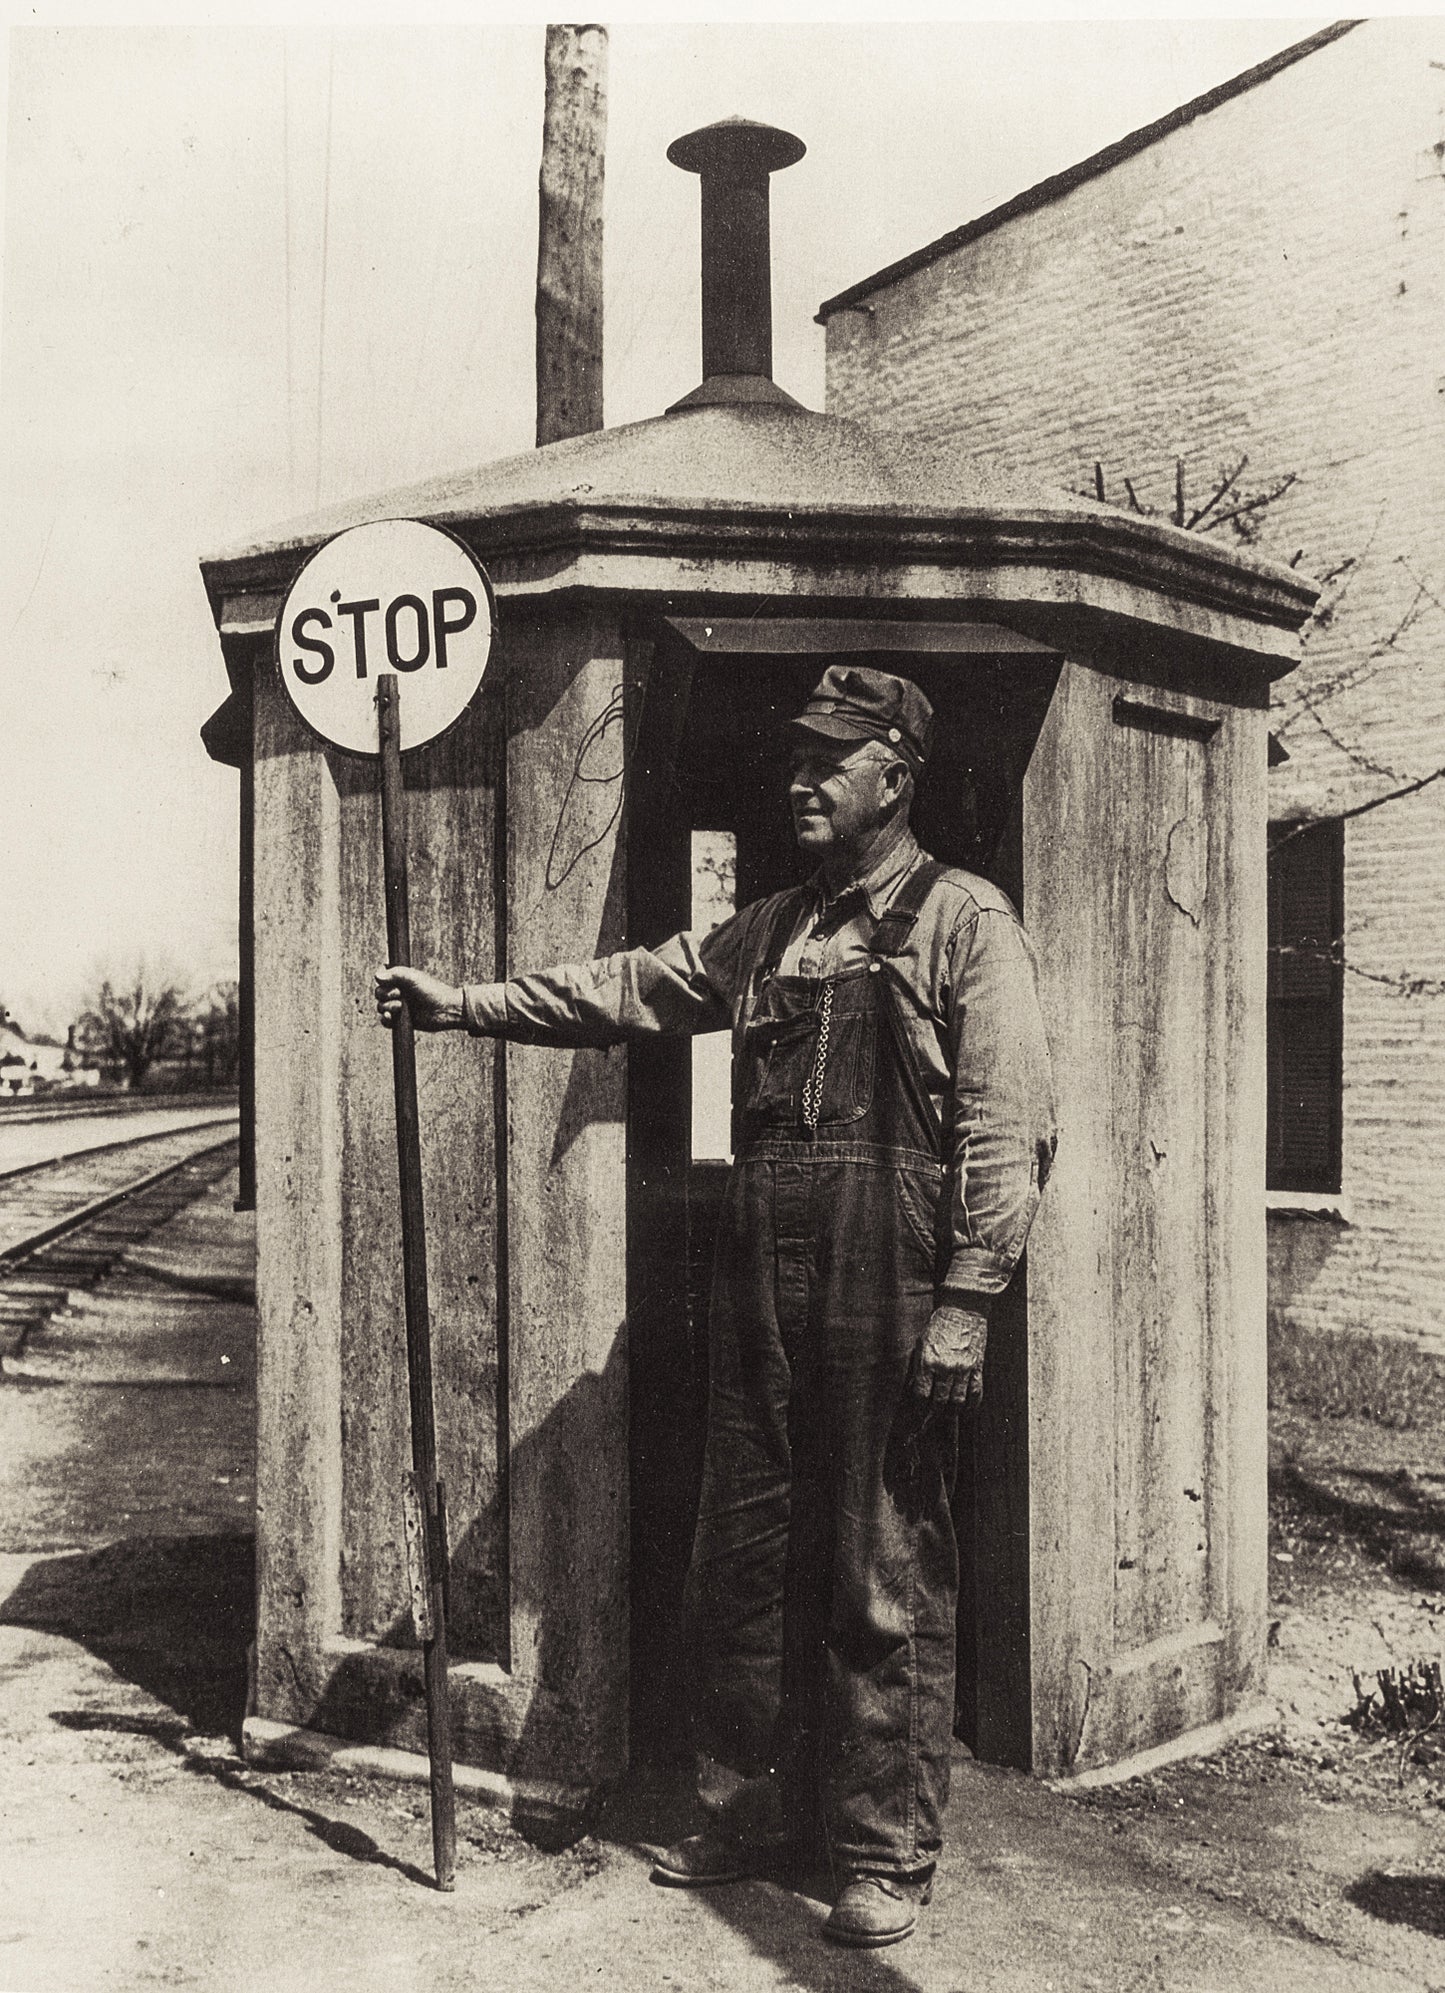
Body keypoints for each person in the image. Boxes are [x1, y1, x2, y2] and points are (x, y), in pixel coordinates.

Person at [375, 664, 1056, 1949]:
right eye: (796, 758)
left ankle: (881, 1849)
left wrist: (967, 1298)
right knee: (744, 1554)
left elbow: (1006, 1129)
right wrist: (462, 1005)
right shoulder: (772, 928)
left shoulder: (963, 922)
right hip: (763, 1278)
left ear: (895, 778)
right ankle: (756, 1804)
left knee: (879, 1561)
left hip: (889, 1283)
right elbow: (630, 987)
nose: (800, 780)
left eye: (831, 761)